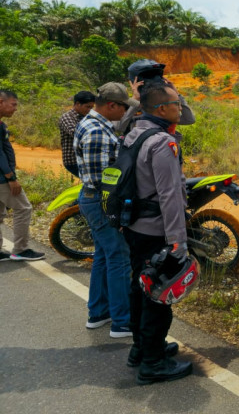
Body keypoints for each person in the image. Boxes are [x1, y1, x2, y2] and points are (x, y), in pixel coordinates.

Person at [123, 80, 192, 384]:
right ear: (162, 109)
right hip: (157, 232)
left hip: (136, 226)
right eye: (177, 103)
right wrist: (178, 241)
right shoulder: (163, 142)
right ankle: (153, 363)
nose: (181, 108)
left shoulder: (134, 133)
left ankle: (141, 348)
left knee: (139, 286)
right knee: (159, 295)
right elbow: (170, 196)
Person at [74, 83, 137, 337]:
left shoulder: (96, 124)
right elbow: (101, 180)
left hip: (94, 198)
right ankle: (122, 321)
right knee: (119, 257)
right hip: (101, 200)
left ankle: (99, 312)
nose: (125, 112)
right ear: (112, 105)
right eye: (123, 107)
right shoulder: (96, 131)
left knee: (103, 255)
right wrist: (116, 210)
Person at [0, 89, 45, 262]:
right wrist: (11, 178)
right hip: (2, 178)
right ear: (1, 102)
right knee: (23, 208)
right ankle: (20, 249)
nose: (15, 108)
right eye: (13, 105)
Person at [115, 59, 195, 136]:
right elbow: (119, 128)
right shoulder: (127, 104)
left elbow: (189, 119)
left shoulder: (160, 106)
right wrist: (135, 100)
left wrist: (176, 95)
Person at [58, 90, 95, 177]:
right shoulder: (67, 117)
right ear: (78, 104)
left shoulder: (87, 117)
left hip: (86, 158)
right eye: (87, 107)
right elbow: (76, 134)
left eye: (91, 107)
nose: (90, 110)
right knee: (91, 181)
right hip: (73, 160)